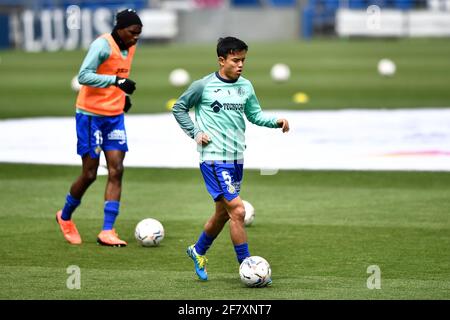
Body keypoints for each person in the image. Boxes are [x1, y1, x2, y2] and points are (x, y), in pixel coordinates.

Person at [172, 36, 289, 281]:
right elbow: (179, 107)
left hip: (236, 158)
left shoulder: (245, 86)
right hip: (213, 158)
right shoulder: (203, 86)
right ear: (221, 60)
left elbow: (254, 115)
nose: (241, 65)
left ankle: (198, 250)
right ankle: (247, 266)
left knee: (222, 213)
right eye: (236, 60)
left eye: (243, 60)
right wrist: (195, 132)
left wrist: (275, 122)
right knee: (237, 210)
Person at [56, 9, 142, 247]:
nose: (136, 38)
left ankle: (107, 230)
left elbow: (121, 74)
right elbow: (84, 76)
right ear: (120, 29)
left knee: (117, 170)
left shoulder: (130, 46)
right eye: (133, 33)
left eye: (139, 34)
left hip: (114, 116)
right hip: (90, 115)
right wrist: (116, 82)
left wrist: (121, 96)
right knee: (90, 173)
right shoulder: (102, 46)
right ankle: (64, 217)